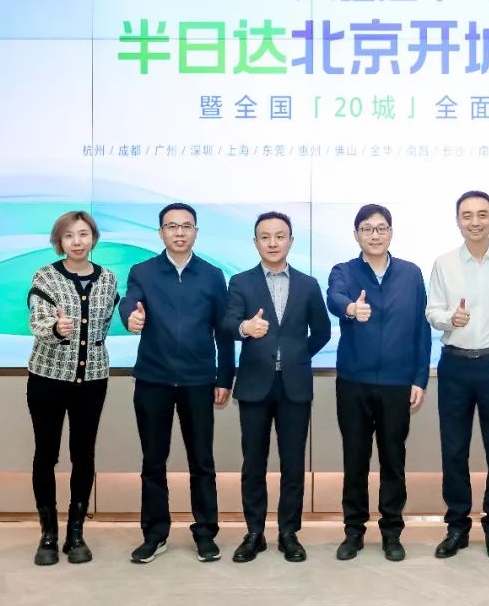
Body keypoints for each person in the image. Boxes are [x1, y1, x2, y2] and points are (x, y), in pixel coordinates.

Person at [119, 203, 233, 564]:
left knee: (202, 461)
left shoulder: (212, 275)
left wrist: (225, 376)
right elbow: (129, 303)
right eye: (172, 226)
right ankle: (155, 535)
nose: (179, 232)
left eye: (186, 226)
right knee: (153, 461)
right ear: (161, 233)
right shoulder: (142, 271)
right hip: (153, 379)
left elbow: (224, 330)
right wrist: (130, 317)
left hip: (199, 380)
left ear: (196, 231)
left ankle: (205, 533)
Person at [426, 190, 489, 561]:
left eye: (482, 214)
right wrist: (449, 319)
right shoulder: (444, 263)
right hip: (454, 365)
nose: (475, 221)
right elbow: (432, 311)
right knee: (454, 449)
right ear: (457, 221)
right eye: (467, 215)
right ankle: (457, 526)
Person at [224, 212, 331, 563]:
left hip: (294, 387)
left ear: (290, 241)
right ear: (255, 242)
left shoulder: (308, 284)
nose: (272, 243)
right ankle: (254, 533)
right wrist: (244, 328)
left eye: (280, 236)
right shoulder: (240, 281)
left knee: (293, 464)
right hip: (254, 385)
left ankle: (288, 533)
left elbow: (322, 331)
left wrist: (297, 356)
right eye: (265, 236)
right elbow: (227, 323)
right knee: (253, 463)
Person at [326, 204, 431, 562]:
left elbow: (421, 330)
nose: (375, 235)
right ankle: (353, 532)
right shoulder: (344, 271)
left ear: (391, 233)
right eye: (367, 229)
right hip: (354, 383)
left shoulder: (411, 273)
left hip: (397, 383)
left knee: (393, 461)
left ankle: (391, 533)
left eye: (381, 228)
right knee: (355, 460)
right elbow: (334, 298)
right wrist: (351, 309)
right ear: (356, 234)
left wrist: (419, 378)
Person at [26, 210, 118, 566]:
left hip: (92, 381)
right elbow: (37, 321)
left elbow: (105, 324)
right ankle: (48, 534)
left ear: (93, 238)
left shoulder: (108, 278)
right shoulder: (45, 276)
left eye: (83, 234)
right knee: (46, 455)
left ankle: (76, 533)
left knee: (84, 454)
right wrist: (56, 329)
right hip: (47, 380)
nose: (77, 242)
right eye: (69, 235)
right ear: (59, 241)